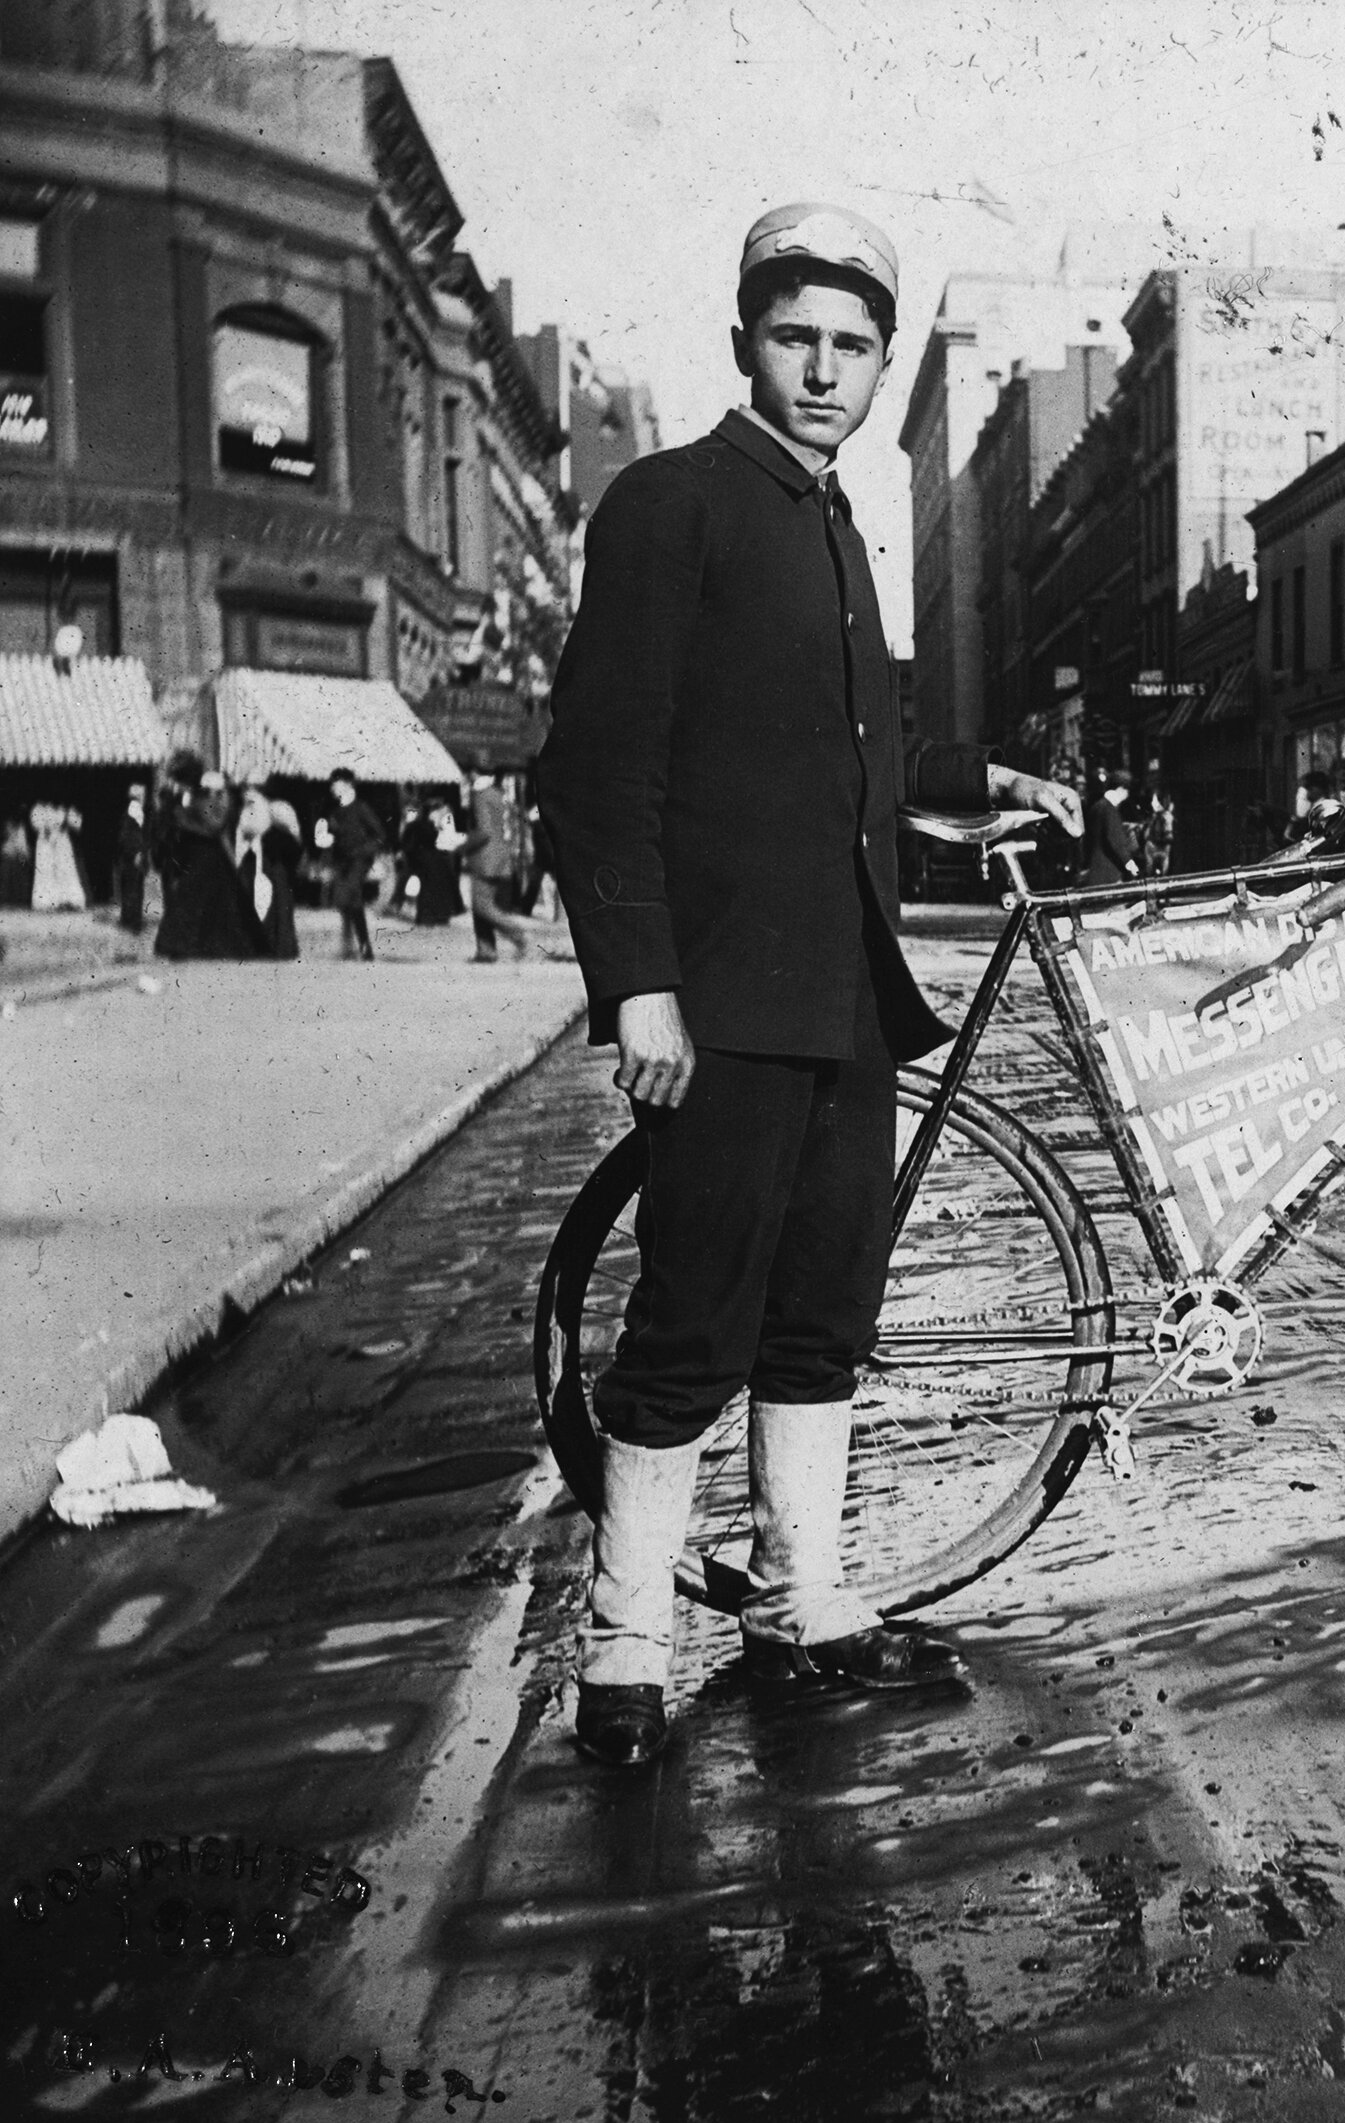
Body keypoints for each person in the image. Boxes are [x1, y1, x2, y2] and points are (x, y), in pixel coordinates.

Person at [534, 200, 1083, 1771]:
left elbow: (864, 755)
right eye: (799, 340)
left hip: (846, 1000)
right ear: (744, 345)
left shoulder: (842, 525)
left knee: (824, 1320)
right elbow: (597, 768)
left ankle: (800, 1602)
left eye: (854, 347)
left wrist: (1001, 774)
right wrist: (637, 987)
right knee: (690, 1325)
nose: (826, 371)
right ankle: (627, 1638)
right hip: (718, 1009)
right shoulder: (674, 504)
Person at [153, 769, 257, 959]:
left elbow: (210, 826)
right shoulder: (208, 803)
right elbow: (210, 825)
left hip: (207, 857)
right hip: (204, 857)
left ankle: (187, 946)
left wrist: (185, 821)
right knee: (199, 903)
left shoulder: (210, 803)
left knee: (199, 903)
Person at [313, 770, 385, 961]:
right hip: (342, 861)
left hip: (360, 861)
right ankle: (359, 946)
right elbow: (334, 839)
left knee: (348, 895)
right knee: (350, 902)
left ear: (347, 785)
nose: (332, 788)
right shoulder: (335, 811)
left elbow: (379, 836)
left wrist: (364, 852)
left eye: (335, 783)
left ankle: (356, 945)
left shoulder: (361, 808)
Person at [461, 771, 533, 961]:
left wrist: (461, 846)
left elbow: (483, 832)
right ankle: (486, 950)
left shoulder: (481, 796)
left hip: (485, 858)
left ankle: (518, 934)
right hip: (500, 857)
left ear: (474, 772)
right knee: (482, 905)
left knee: (482, 906)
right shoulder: (498, 794)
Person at [233, 783, 300, 960]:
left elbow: (255, 831)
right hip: (259, 862)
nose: (247, 794)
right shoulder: (250, 810)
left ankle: (275, 946)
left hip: (270, 862)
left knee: (274, 904)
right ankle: (271, 946)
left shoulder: (273, 808)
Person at [1085, 762, 1140, 885]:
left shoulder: (1097, 806)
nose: (1127, 795)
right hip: (1108, 874)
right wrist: (1130, 863)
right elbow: (1115, 840)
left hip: (1094, 871)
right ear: (1121, 789)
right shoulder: (1109, 810)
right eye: (1127, 791)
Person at [29, 800, 86, 911]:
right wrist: (46, 828)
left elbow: (77, 824)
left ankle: (69, 901)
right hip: (45, 844)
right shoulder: (39, 807)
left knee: (65, 870)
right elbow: (36, 823)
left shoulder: (65, 808)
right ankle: (46, 902)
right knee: (46, 871)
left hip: (62, 842)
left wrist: (67, 822)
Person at [115, 785, 151, 932]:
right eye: (143, 794)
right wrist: (137, 853)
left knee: (130, 887)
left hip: (129, 856)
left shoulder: (133, 809)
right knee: (134, 888)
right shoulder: (135, 811)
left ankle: (128, 918)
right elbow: (131, 836)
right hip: (133, 856)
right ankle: (134, 921)